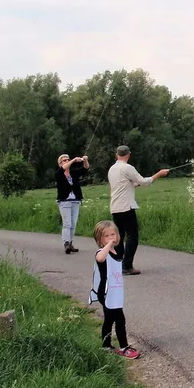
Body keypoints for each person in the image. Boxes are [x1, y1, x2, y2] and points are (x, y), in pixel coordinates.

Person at [107, 145, 170, 275]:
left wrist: (133, 185)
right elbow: (144, 181)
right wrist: (159, 174)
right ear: (128, 155)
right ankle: (127, 266)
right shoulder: (127, 167)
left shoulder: (112, 169)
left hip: (115, 207)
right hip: (126, 207)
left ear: (116, 155)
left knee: (119, 236)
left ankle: (117, 264)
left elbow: (122, 185)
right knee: (132, 236)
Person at [88, 220, 140, 359]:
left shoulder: (115, 251)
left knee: (109, 319)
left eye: (113, 234)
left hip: (115, 291)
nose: (111, 238)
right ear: (100, 240)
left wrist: (112, 245)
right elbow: (99, 258)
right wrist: (107, 246)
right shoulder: (102, 252)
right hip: (106, 292)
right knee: (120, 319)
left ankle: (106, 345)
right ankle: (124, 347)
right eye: (107, 236)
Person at [55, 153, 89, 254]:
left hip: (75, 200)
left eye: (67, 159)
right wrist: (73, 160)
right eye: (64, 160)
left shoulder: (74, 173)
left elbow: (85, 169)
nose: (67, 161)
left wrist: (85, 160)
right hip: (64, 201)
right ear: (60, 163)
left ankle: (70, 243)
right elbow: (64, 168)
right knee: (67, 223)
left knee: (73, 224)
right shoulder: (59, 173)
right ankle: (66, 243)